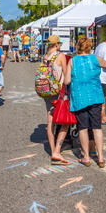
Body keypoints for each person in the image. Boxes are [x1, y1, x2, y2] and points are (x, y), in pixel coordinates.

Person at [65, 37, 106, 168]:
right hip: (95, 95)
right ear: (89, 47)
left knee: (82, 127)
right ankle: (100, 158)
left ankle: (86, 157)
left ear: (78, 47)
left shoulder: (72, 61)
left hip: (79, 97)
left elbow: (66, 81)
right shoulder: (95, 58)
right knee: (97, 127)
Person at [43, 35, 70, 165]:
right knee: (65, 120)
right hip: (57, 93)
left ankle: (53, 150)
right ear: (57, 44)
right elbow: (66, 77)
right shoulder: (60, 56)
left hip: (46, 91)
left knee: (50, 122)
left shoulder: (46, 56)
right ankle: (56, 152)